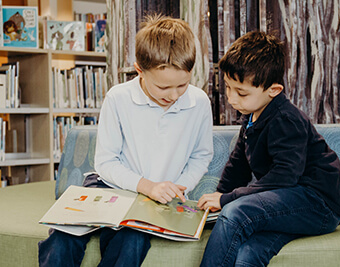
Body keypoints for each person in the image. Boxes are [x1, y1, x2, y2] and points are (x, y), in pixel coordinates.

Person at [38, 14, 213, 267]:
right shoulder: (118, 98)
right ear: (139, 70)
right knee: (62, 238)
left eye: (182, 85)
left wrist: (177, 187)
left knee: (132, 242)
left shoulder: (199, 103)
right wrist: (146, 185)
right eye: (163, 88)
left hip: (156, 198)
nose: (174, 95)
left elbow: (201, 156)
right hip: (109, 186)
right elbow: (106, 162)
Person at [197, 31, 340, 266]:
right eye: (228, 88)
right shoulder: (252, 115)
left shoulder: (286, 119)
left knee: (236, 212)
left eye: (241, 93)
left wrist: (227, 199)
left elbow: (284, 177)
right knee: (248, 255)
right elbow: (238, 165)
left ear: (273, 90)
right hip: (288, 205)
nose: (231, 99)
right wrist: (215, 201)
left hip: (318, 205)